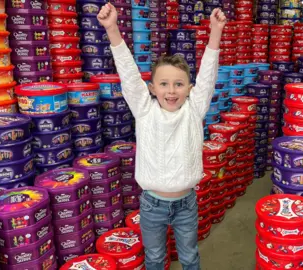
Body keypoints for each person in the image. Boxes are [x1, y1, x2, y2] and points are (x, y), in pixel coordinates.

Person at [97, 3, 226, 270]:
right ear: (152, 88)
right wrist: (112, 30)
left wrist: (215, 32)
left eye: (179, 84)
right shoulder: (144, 110)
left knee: (190, 257)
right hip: (152, 204)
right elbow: (129, 75)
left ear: (190, 89)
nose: (171, 91)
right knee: (154, 258)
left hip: (186, 203)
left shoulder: (193, 110)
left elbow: (208, 77)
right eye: (164, 84)